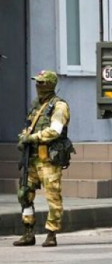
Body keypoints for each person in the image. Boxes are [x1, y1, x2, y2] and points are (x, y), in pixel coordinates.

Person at [13, 70, 70, 247]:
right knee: (24, 194)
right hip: (31, 158)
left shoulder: (59, 106)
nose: (38, 86)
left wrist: (33, 138)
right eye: (37, 83)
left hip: (48, 159)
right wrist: (23, 137)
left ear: (51, 85)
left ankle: (51, 233)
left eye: (42, 83)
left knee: (53, 196)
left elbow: (55, 131)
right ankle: (28, 231)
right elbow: (29, 126)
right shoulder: (36, 105)